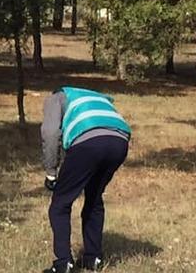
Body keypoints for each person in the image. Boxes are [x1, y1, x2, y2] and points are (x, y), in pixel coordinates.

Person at [41, 86, 131, 273]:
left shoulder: (56, 97)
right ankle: (93, 258)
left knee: (60, 204)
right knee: (94, 198)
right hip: (119, 141)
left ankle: (63, 263)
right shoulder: (97, 96)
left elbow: (50, 133)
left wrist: (51, 172)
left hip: (88, 142)